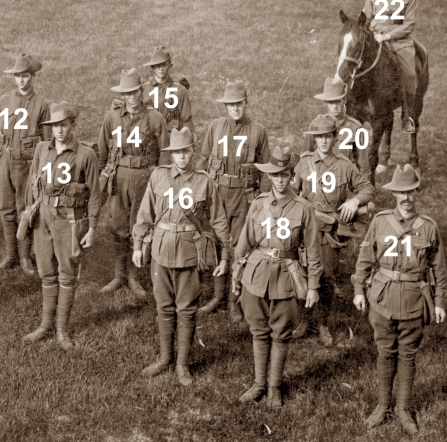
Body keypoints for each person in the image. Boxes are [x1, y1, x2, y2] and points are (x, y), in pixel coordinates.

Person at [132, 127, 231, 385]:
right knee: (163, 305)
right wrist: (138, 245)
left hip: (189, 251)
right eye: (177, 152)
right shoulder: (159, 176)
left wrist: (224, 256)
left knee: (186, 308)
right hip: (161, 250)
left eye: (186, 151)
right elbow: (145, 213)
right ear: (171, 153)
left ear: (193, 151)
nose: (182, 156)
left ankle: (182, 364)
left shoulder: (204, 181)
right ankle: (165, 358)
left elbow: (219, 220)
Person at [352, 164, 446, 435]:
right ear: (394, 193)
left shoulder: (428, 227)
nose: (406, 197)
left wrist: (439, 302)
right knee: (385, 352)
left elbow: (439, 269)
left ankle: (403, 408)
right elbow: (365, 258)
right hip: (382, 298)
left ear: (417, 191)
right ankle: (383, 405)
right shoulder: (380, 222)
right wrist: (359, 290)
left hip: (414, 300)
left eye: (411, 191)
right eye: (401, 192)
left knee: (408, 354)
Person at [231, 146, 321, 408]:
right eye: (276, 175)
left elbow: (313, 250)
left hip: (286, 276)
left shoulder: (303, 208)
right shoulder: (259, 204)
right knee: (258, 330)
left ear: (292, 176)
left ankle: (275, 387)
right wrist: (237, 272)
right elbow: (245, 240)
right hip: (257, 273)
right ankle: (259, 384)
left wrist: (313, 286)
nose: (280, 180)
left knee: (281, 333)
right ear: (269, 176)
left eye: (285, 175)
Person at [21, 102, 99, 349]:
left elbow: (94, 194)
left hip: (69, 218)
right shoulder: (42, 149)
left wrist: (92, 227)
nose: (59, 130)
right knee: (45, 269)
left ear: (72, 125)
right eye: (54, 126)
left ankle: (61, 329)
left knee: (67, 271)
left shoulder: (85, 154)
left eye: (63, 125)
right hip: (43, 216)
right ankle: (45, 325)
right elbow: (33, 181)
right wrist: (28, 211)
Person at [292, 114, 375, 346]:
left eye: (327, 136)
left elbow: (368, 189)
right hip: (305, 228)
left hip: (329, 231)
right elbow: (292, 192)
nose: (323, 141)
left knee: (326, 276)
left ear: (334, 137)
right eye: (319, 137)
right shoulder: (304, 163)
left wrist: (354, 201)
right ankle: (304, 320)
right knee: (302, 272)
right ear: (314, 139)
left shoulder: (344, 165)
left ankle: (322, 323)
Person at [194, 81, 270, 322]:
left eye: (239, 103)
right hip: (217, 193)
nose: (235, 108)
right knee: (218, 240)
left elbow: (266, 170)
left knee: (239, 246)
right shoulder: (215, 127)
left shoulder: (258, 131)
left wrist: (263, 201)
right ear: (225, 106)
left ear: (246, 103)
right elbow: (203, 160)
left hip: (243, 196)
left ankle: (232, 299)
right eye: (231, 105)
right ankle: (217, 295)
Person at [97, 68, 169, 298]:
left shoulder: (155, 118)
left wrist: (161, 183)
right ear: (122, 95)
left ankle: (134, 276)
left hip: (143, 178)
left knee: (138, 224)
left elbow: (165, 153)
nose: (132, 97)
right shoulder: (112, 117)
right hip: (118, 176)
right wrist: (102, 176)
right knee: (118, 224)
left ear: (141, 91)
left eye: (135, 91)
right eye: (127, 93)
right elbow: (102, 150)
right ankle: (119, 274)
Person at [0, 53, 50, 276]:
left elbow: (47, 141)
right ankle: (11, 255)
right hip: (4, 160)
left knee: (25, 207)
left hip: (26, 163)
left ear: (33, 76)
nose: (21, 80)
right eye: (17, 76)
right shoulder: (4, 100)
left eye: (25, 76)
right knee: (5, 207)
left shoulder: (41, 103)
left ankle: (25, 255)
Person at [363, 0, 419, 134]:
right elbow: (365, 17)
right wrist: (370, 32)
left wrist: (387, 36)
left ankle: (407, 116)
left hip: (399, 42)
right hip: (375, 38)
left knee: (409, 74)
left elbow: (408, 25)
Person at [304, 78, 371, 184]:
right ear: (325, 102)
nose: (335, 106)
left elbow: (363, 165)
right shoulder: (315, 125)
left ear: (344, 100)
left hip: (346, 182)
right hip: (321, 182)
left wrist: (365, 189)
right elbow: (305, 157)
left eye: (338, 101)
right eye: (331, 102)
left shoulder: (356, 128)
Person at [141, 46, 193, 137]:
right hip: (149, 140)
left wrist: (189, 139)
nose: (161, 68)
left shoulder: (180, 91)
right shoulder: (143, 90)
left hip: (172, 140)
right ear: (152, 67)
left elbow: (186, 121)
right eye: (157, 65)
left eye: (164, 64)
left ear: (170, 65)